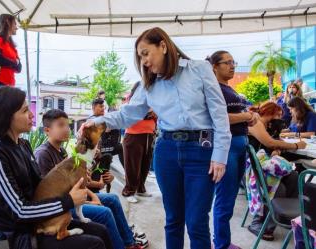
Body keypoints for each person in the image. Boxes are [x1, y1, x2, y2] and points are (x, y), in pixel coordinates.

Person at [82, 27, 231, 249]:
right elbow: (127, 114)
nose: (143, 62)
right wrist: (95, 121)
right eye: (139, 57)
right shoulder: (147, 85)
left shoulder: (199, 69)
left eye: (145, 53)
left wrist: (220, 155)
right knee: (173, 220)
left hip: (201, 150)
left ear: (163, 46)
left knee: (197, 221)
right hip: (167, 150)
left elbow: (219, 114)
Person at [0, 86, 111, 249]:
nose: (31, 114)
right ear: (6, 117)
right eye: (24, 111)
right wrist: (68, 201)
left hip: (33, 223)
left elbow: (41, 183)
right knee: (94, 244)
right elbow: (18, 211)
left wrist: (70, 175)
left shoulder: (22, 144)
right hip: (6, 239)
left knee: (100, 231)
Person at [34, 109, 148, 249]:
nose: (66, 129)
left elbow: (76, 181)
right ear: (47, 130)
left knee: (112, 198)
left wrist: (96, 190)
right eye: (60, 125)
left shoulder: (62, 151)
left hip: (71, 199)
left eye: (67, 124)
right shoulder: (42, 154)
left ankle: (128, 242)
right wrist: (91, 198)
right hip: (60, 207)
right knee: (105, 212)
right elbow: (53, 194)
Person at [207, 51, 259, 249]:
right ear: (214, 66)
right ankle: (221, 244)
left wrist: (249, 116)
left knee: (228, 198)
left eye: (233, 62)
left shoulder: (229, 89)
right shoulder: (214, 89)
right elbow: (218, 118)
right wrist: (246, 117)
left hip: (239, 145)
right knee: (225, 199)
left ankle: (223, 241)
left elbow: (238, 114)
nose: (232, 66)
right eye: (227, 63)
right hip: (226, 147)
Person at [246, 101, 306, 241]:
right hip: (255, 168)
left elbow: (275, 143)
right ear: (270, 112)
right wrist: (296, 145)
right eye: (278, 114)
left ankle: (284, 218)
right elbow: (269, 142)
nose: (280, 118)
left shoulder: (270, 125)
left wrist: (277, 150)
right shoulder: (255, 122)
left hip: (268, 165)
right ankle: (259, 223)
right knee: (278, 188)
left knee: (293, 177)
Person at [121, 81, 157, 204]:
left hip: (149, 135)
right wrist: (149, 112)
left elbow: (158, 113)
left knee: (145, 165)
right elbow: (131, 113)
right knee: (133, 167)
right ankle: (129, 191)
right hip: (133, 136)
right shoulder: (129, 99)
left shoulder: (153, 99)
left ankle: (141, 188)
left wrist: (153, 112)